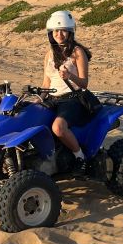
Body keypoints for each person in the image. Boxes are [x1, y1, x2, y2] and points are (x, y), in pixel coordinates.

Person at [41, 10, 93, 171]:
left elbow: (84, 83)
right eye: (56, 31)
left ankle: (80, 157)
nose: (59, 34)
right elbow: (46, 82)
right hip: (52, 99)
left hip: (72, 99)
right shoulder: (49, 54)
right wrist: (39, 97)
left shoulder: (77, 52)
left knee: (58, 127)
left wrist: (70, 75)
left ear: (70, 32)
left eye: (63, 30)